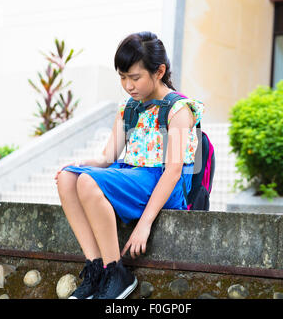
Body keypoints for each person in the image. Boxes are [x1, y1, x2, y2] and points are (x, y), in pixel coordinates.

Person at [54, 31, 204, 299]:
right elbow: (107, 158)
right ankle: (97, 269)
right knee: (67, 177)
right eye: (122, 77)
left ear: (159, 71)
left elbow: (173, 172)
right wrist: (78, 165)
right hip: (132, 175)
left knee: (88, 181)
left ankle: (117, 273)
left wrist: (144, 224)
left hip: (163, 182)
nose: (128, 85)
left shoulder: (178, 110)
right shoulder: (129, 108)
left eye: (135, 77)